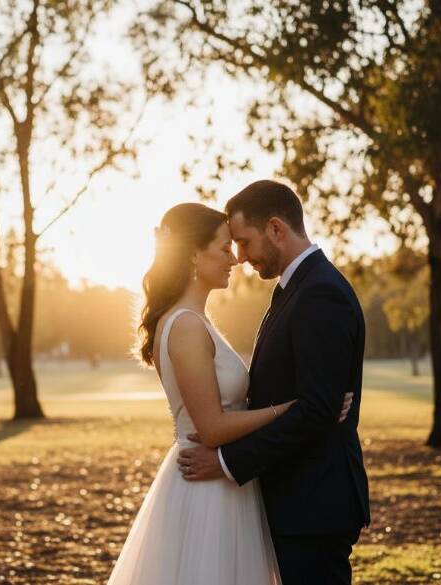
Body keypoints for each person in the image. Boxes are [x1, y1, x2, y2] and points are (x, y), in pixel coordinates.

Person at [106, 200, 354, 585]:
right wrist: (292, 407)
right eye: (224, 248)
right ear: (192, 255)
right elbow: (212, 428)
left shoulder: (198, 321)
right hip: (207, 491)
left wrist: (314, 400)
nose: (234, 259)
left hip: (229, 484)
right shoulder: (186, 326)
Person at [178, 180, 370, 584]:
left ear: (277, 229)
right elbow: (301, 400)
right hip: (295, 501)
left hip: (313, 505)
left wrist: (228, 462)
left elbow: (317, 410)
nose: (242, 257)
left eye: (245, 243)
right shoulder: (295, 289)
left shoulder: (319, 294)